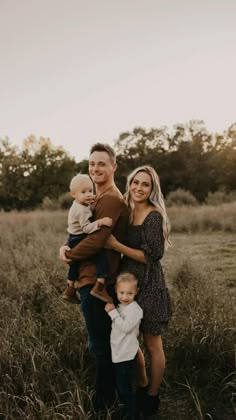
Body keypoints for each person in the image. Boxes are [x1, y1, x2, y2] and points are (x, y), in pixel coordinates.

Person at [59, 143, 129, 412]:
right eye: (91, 164)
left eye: (101, 163)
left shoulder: (110, 198)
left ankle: (103, 407)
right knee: (103, 346)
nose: (95, 168)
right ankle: (113, 401)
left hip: (96, 281)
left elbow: (98, 241)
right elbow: (81, 231)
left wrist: (69, 255)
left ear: (113, 167)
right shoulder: (93, 198)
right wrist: (65, 247)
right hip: (89, 277)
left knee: (100, 347)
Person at [105, 165, 172, 417]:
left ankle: (152, 396)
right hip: (127, 287)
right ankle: (142, 385)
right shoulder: (127, 210)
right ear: (129, 184)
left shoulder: (154, 216)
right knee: (129, 339)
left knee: (152, 343)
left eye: (145, 184)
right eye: (135, 182)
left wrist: (117, 244)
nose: (139, 188)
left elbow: (152, 256)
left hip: (149, 286)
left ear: (152, 188)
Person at [62, 173, 113, 304]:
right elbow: (86, 228)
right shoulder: (82, 210)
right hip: (80, 236)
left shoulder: (78, 204)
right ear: (73, 194)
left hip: (72, 236)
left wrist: (92, 198)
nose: (89, 194)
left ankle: (70, 289)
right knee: (101, 254)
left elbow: (87, 206)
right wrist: (100, 222)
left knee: (75, 264)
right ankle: (100, 286)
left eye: (90, 190)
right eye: (84, 192)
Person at [105, 272, 143, 420]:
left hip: (126, 355)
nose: (125, 297)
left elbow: (126, 327)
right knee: (121, 388)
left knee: (126, 389)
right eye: (121, 292)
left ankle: (132, 415)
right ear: (116, 290)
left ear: (136, 292)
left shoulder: (135, 309)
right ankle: (127, 411)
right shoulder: (120, 306)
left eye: (130, 293)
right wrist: (115, 310)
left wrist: (112, 313)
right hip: (118, 353)